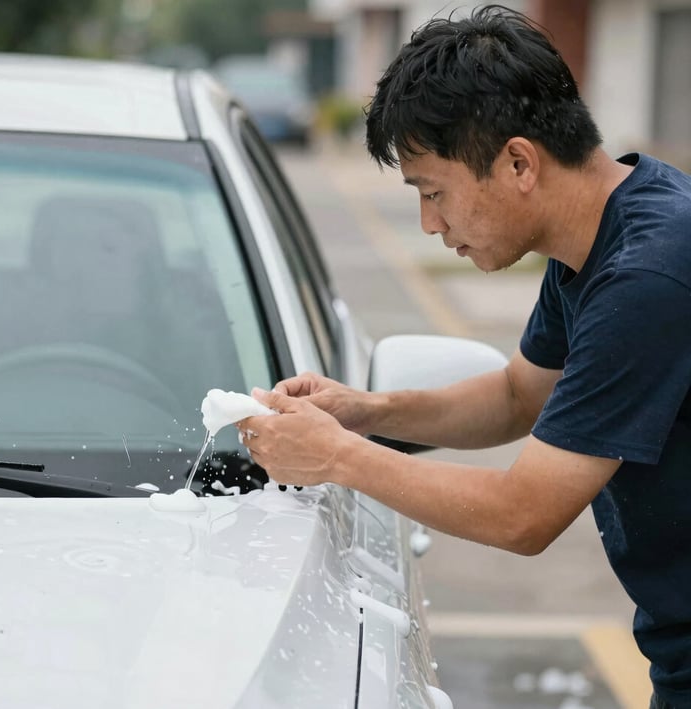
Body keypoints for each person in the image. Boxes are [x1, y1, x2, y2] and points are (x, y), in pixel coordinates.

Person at [237, 5, 691, 707]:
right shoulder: (596, 241)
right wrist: (364, 411)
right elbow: (519, 395)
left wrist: (335, 456)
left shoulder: (649, 273)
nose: (429, 222)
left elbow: (524, 513)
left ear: (518, 163)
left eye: (433, 191)